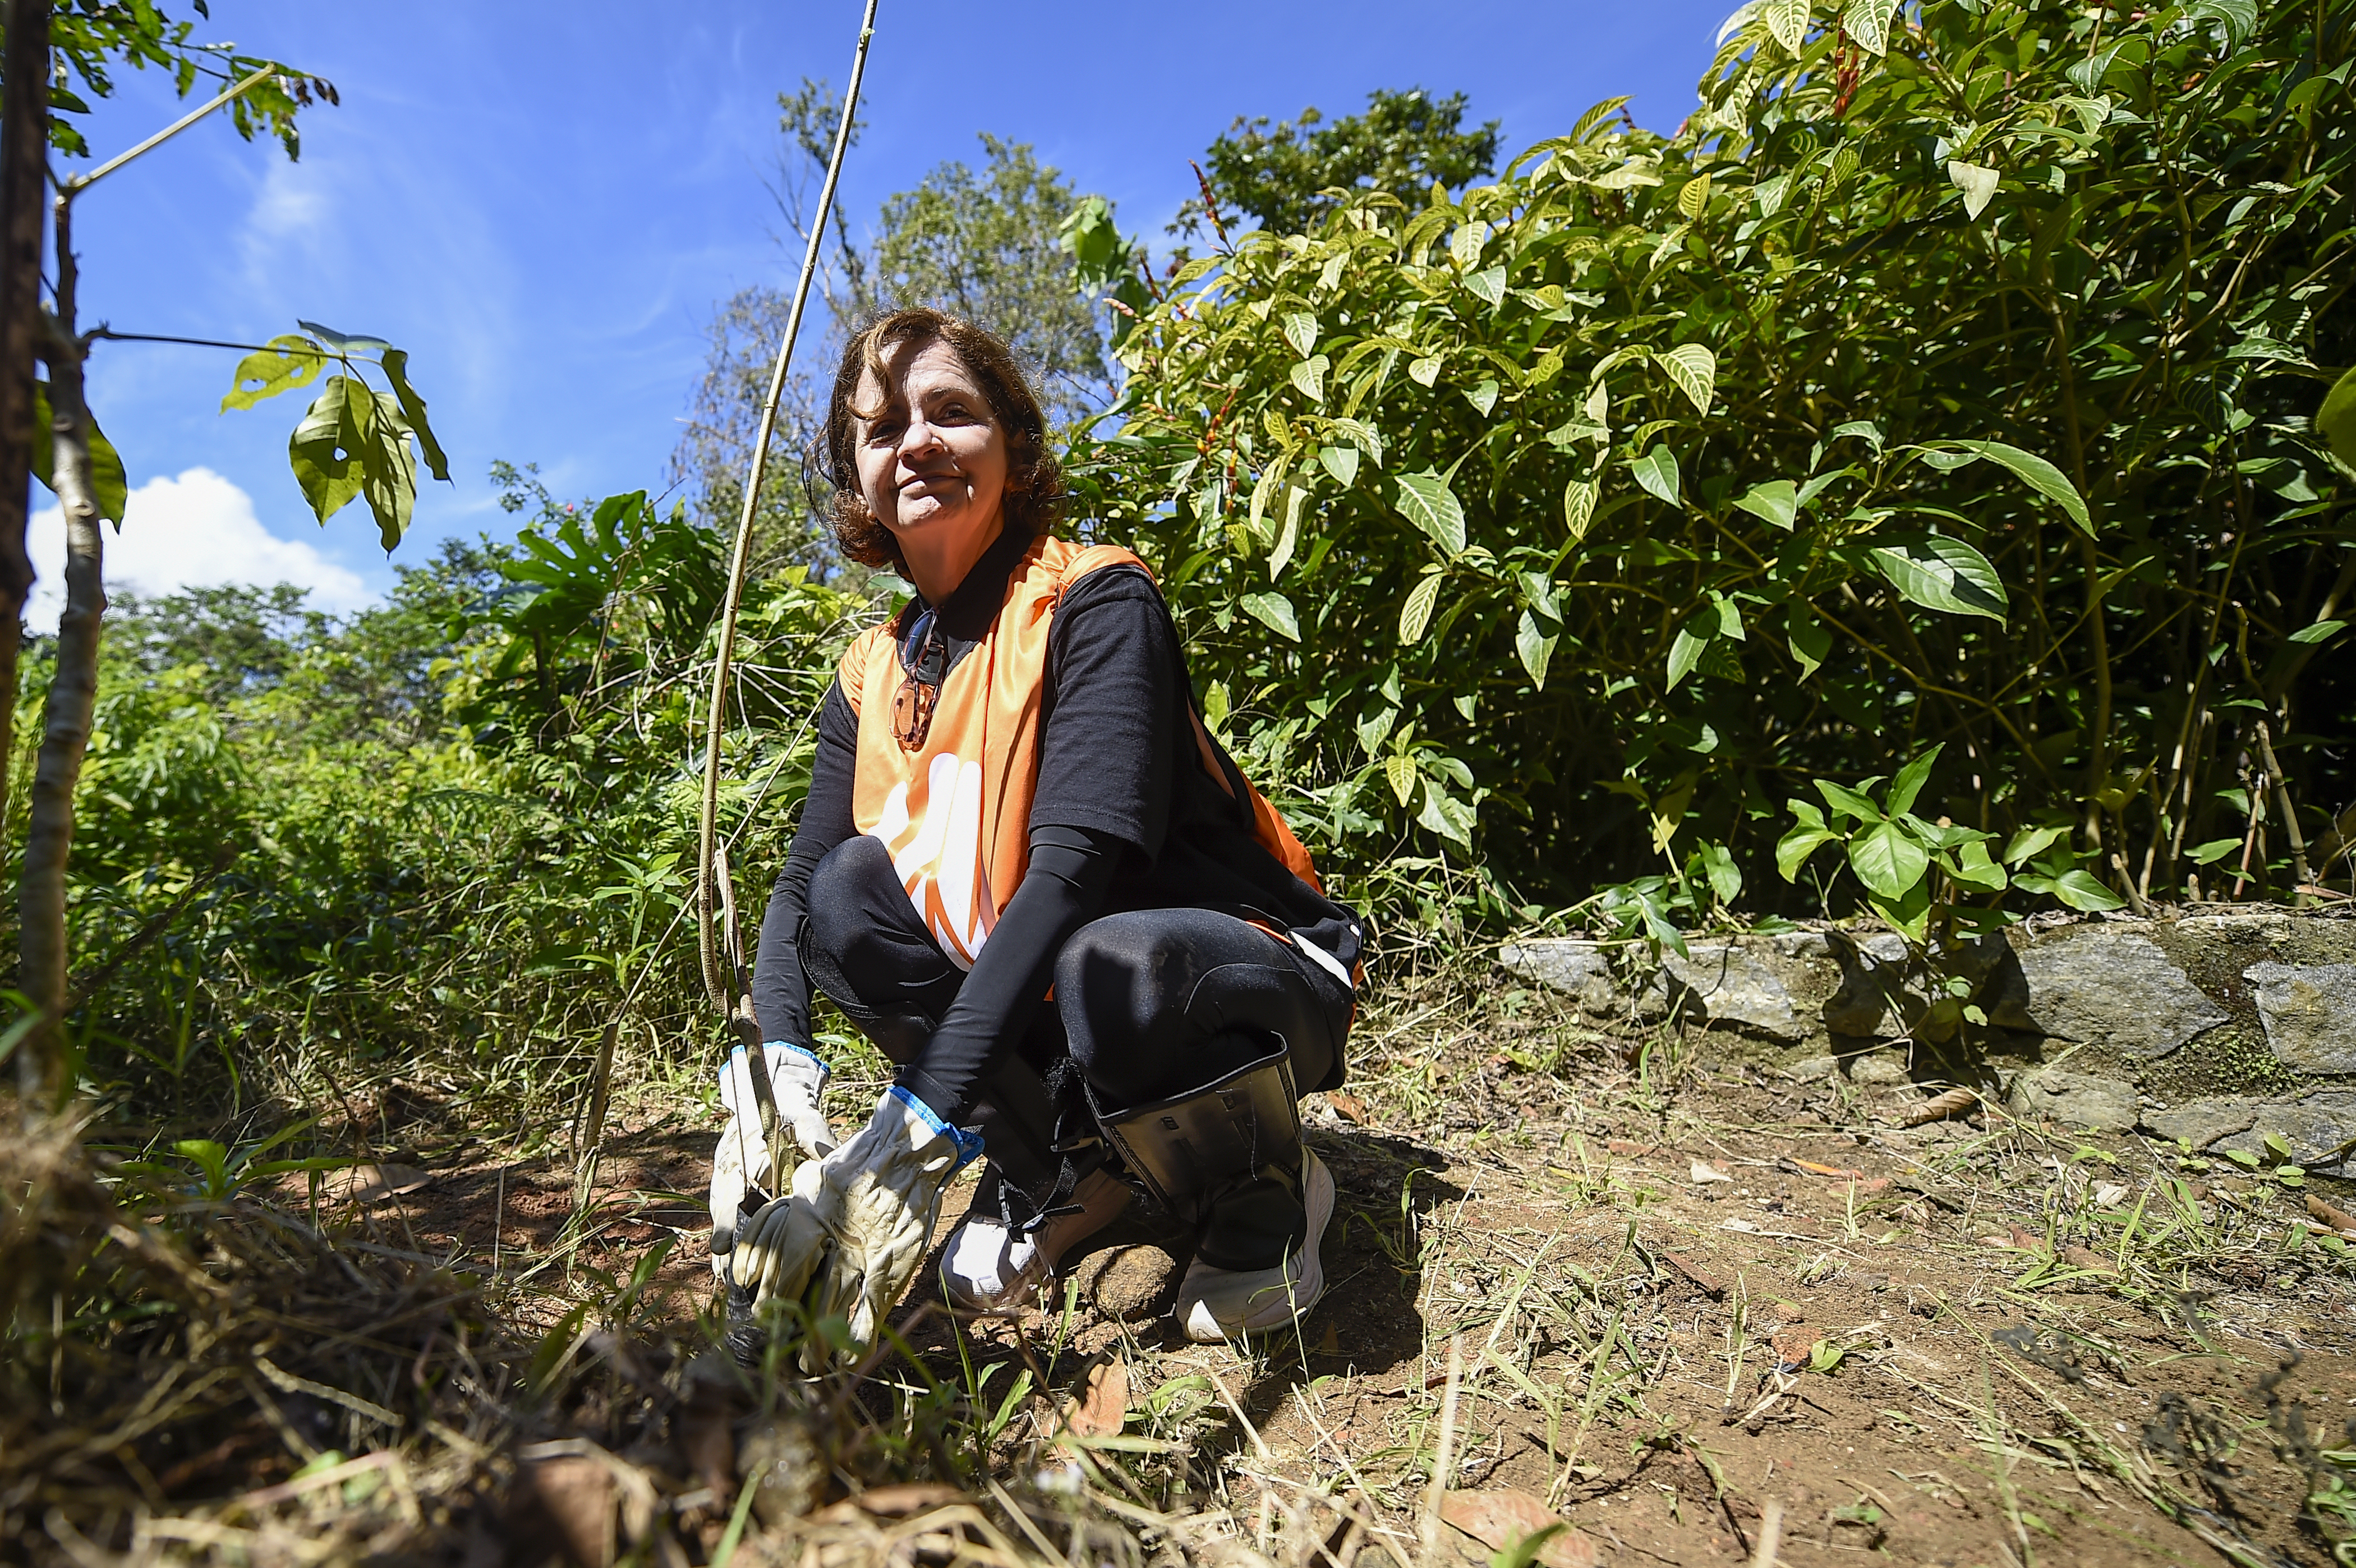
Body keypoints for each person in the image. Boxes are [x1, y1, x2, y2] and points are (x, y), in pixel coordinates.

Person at [705, 306, 1364, 1355]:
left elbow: (1076, 868)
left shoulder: (1095, 598)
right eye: (881, 430)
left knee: (1118, 961)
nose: (915, 441)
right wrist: (773, 1076)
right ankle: (1061, 1169)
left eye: (951, 412)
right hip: (1062, 999)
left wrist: (910, 1134)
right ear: (860, 478)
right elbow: (797, 890)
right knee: (844, 901)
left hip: (1232, 967)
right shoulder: (872, 670)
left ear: (1012, 446)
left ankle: (1263, 1181)